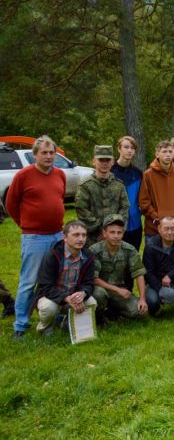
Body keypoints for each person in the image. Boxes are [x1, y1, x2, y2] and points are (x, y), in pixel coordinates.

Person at [6, 135, 67, 338]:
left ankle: (55, 318)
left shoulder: (60, 174)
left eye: (52, 153)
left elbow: (60, 198)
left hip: (58, 235)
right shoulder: (23, 175)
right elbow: (11, 204)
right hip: (34, 237)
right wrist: (25, 224)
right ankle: (21, 325)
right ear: (35, 155)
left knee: (57, 279)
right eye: (44, 153)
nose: (49, 156)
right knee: (29, 281)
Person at [33, 220, 97, 337]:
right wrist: (66, 298)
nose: (81, 239)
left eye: (84, 235)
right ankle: (44, 329)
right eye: (76, 235)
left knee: (92, 302)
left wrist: (82, 294)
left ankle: (69, 324)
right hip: (52, 297)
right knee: (48, 308)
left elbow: (89, 283)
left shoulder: (89, 256)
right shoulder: (53, 255)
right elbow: (45, 286)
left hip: (73, 295)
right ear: (65, 237)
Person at [90, 214, 148, 324]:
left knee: (140, 312)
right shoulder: (94, 251)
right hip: (99, 289)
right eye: (112, 232)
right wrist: (117, 290)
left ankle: (113, 312)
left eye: (119, 232)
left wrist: (142, 299)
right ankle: (100, 318)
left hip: (118, 293)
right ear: (104, 233)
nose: (116, 236)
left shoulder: (129, 249)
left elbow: (139, 273)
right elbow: (94, 279)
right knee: (99, 294)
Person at [74, 144, 129, 246]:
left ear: (112, 162)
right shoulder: (85, 186)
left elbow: (124, 209)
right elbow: (82, 210)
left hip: (114, 239)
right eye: (101, 160)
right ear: (94, 161)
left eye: (107, 160)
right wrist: (103, 230)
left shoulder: (119, 185)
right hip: (92, 239)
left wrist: (112, 230)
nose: (104, 163)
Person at [138, 139, 174, 239]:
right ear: (157, 154)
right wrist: (156, 217)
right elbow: (144, 201)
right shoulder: (148, 175)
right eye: (164, 152)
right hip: (154, 228)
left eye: (170, 151)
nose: (168, 155)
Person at [111, 135, 144, 251]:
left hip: (135, 224)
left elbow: (143, 198)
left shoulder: (138, 173)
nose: (129, 150)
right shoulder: (110, 171)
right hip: (115, 225)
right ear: (119, 149)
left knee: (133, 259)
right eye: (126, 147)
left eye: (132, 148)